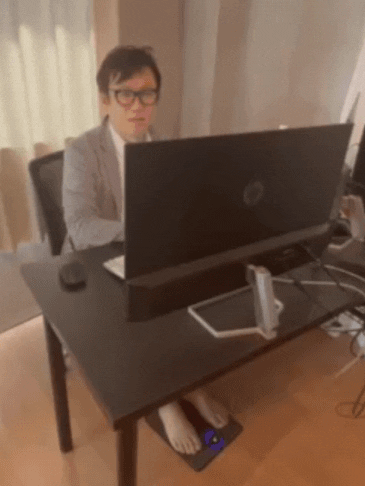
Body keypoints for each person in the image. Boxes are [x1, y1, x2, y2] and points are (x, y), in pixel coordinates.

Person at [62, 45, 229, 455]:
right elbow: (80, 225)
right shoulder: (82, 151)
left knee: (189, 292)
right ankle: (164, 400)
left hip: (148, 251)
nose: (137, 105)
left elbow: (179, 206)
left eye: (147, 93)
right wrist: (143, 231)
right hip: (94, 257)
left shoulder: (164, 146)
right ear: (106, 100)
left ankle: (188, 384)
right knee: (139, 306)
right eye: (125, 94)